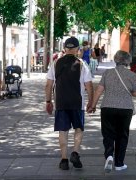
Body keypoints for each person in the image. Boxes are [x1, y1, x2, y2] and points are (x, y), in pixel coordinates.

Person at [45, 37, 94, 170]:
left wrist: (48, 101)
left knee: (63, 130)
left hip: (61, 103)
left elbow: (49, 85)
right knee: (78, 129)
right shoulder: (82, 64)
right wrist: (91, 102)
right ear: (78, 49)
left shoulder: (55, 63)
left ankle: (64, 160)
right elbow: (89, 85)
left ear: (65, 49)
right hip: (77, 103)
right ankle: (75, 152)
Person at [88, 50, 136, 172]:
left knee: (108, 134)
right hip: (125, 109)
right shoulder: (132, 75)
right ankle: (119, 163)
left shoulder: (107, 73)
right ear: (128, 61)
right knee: (122, 135)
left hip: (107, 108)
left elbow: (99, 91)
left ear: (116, 59)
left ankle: (109, 155)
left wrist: (92, 105)